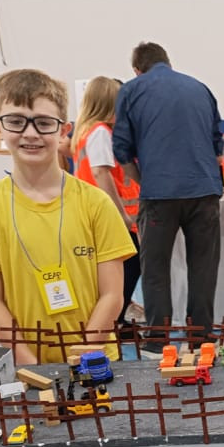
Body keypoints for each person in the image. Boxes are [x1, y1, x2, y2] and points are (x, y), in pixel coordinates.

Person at [0, 69, 135, 365]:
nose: (30, 133)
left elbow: (112, 295)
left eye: (44, 123)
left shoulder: (96, 204)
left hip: (95, 359)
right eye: (16, 121)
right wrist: (30, 364)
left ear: (64, 130)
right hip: (27, 364)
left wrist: (84, 355)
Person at [113, 42, 223, 354]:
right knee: (203, 268)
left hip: (159, 194)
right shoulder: (201, 88)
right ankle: (201, 340)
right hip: (204, 192)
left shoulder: (131, 90)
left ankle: (157, 342)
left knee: (155, 270)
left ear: (137, 70)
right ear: (169, 62)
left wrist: (145, 180)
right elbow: (218, 146)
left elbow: (121, 149)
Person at [71, 76, 141, 335]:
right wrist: (121, 214)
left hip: (93, 211)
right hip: (108, 214)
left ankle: (115, 317)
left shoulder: (85, 132)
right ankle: (116, 319)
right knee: (130, 264)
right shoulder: (101, 132)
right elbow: (101, 172)